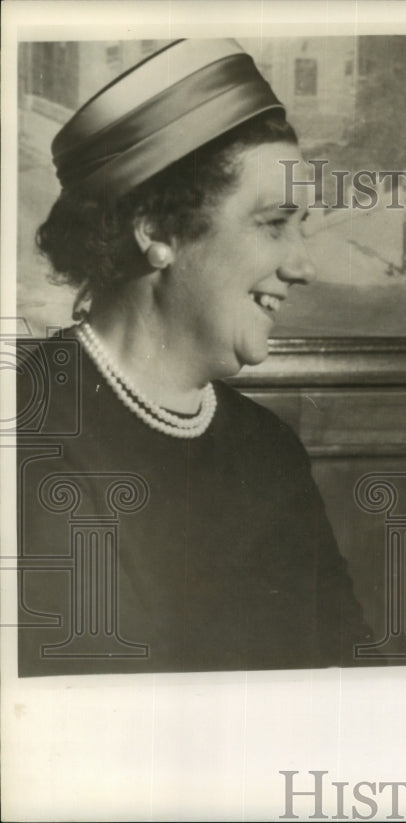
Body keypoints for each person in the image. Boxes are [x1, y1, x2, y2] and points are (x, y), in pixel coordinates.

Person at [16, 39, 373, 676]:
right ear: (155, 230)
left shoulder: (270, 451)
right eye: (272, 223)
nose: (304, 265)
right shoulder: (25, 437)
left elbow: (351, 684)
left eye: (303, 226)